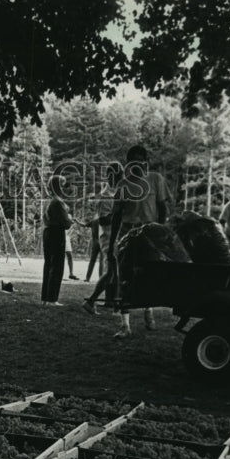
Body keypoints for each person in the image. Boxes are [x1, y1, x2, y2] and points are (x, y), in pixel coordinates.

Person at [101, 144, 172, 338]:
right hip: (127, 233)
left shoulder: (156, 179)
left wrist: (161, 233)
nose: (137, 165)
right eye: (132, 162)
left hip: (149, 232)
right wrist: (112, 243)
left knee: (147, 274)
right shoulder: (123, 185)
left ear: (146, 162)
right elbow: (116, 215)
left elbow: (162, 208)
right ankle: (125, 325)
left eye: (140, 161)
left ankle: (148, 310)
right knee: (125, 277)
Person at [41, 175, 73, 306]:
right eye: (64, 186)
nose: (66, 189)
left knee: (48, 265)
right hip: (57, 233)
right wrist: (70, 218)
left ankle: (45, 298)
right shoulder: (58, 202)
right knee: (57, 265)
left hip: (48, 232)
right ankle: (52, 298)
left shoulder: (49, 202)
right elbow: (66, 223)